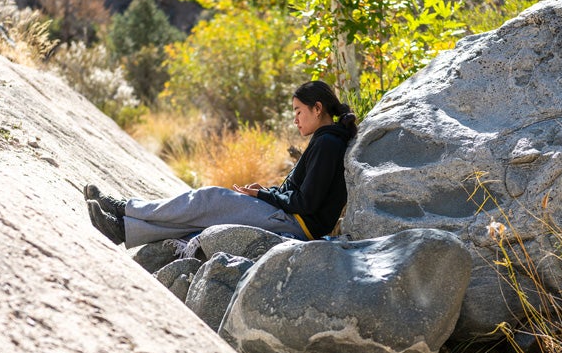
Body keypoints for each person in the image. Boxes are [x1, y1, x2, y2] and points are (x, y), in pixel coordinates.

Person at [85, 80, 358, 248]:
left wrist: (264, 194)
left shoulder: (327, 144)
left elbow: (306, 203)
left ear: (318, 108)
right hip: (290, 218)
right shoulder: (326, 140)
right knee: (203, 215)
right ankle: (122, 228)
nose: (296, 119)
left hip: (296, 224)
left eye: (299, 111)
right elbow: (303, 195)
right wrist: (266, 192)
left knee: (207, 199)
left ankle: (123, 208)